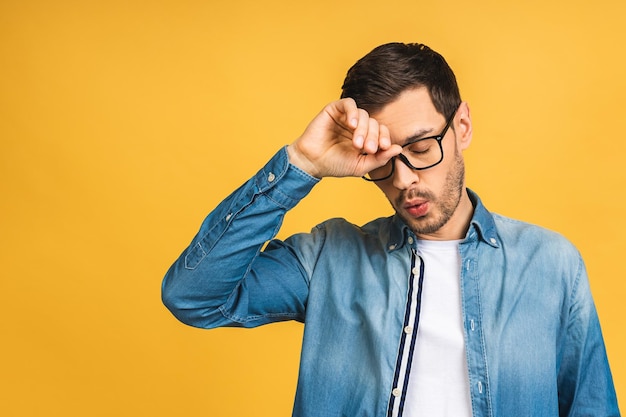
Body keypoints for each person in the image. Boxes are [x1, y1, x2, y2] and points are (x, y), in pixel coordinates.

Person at [161, 42, 620, 417]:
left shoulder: (551, 264)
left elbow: (590, 407)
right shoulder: (329, 257)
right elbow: (194, 297)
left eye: (421, 148)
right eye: (384, 162)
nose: (404, 181)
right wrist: (302, 164)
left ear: (461, 126)